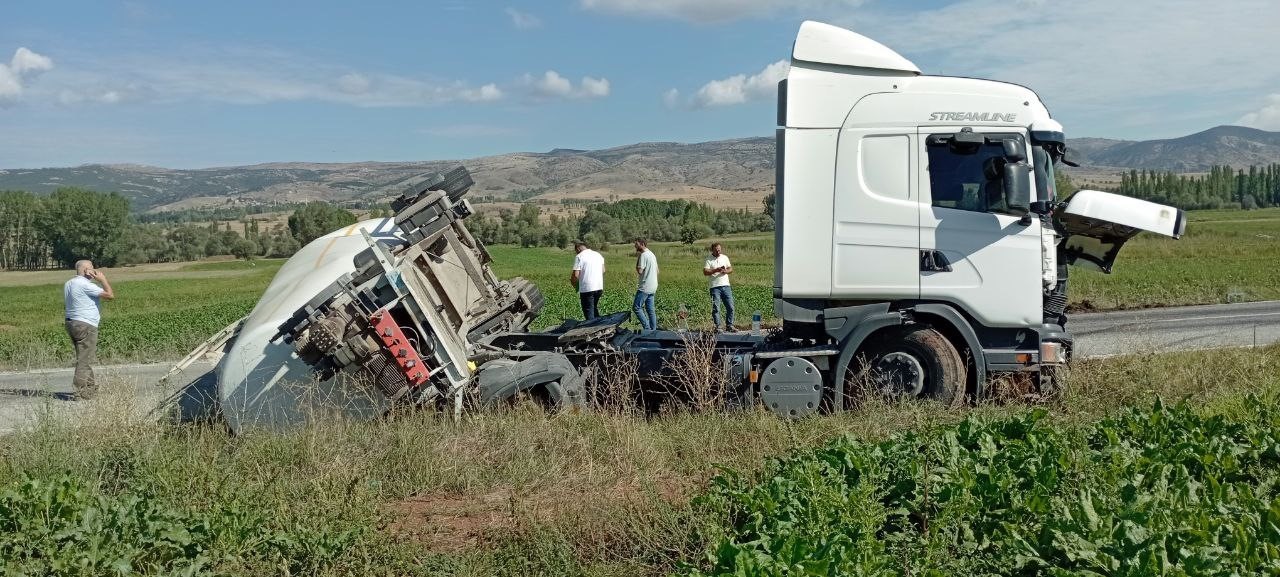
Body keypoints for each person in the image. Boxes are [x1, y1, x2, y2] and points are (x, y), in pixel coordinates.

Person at [63, 259, 114, 400]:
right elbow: (110, 295)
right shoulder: (85, 284)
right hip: (85, 324)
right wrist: (103, 280)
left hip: (72, 322)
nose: (95, 271)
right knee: (85, 360)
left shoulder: (69, 283)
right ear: (86, 270)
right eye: (92, 268)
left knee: (84, 357)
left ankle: (89, 389)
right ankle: (80, 392)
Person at [703, 242, 735, 332]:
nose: (718, 251)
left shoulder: (725, 257)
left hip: (726, 285)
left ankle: (730, 325)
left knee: (730, 306)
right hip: (715, 287)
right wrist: (715, 270)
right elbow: (705, 272)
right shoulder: (709, 259)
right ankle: (718, 327)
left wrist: (725, 271)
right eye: (716, 250)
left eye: (719, 250)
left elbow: (730, 269)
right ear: (712, 250)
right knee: (716, 307)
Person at [570, 240, 605, 321]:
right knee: (594, 309)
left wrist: (574, 284)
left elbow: (576, 275)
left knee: (588, 312)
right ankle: (600, 327)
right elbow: (603, 270)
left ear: (578, 249)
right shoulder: (598, 255)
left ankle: (592, 330)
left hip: (587, 289)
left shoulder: (580, 256)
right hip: (599, 287)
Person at [632, 238, 658, 331]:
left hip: (645, 286)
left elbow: (640, 270)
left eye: (636, 244)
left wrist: (638, 259)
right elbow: (657, 271)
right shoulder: (652, 254)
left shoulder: (643, 255)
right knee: (650, 309)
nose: (635, 246)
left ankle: (647, 329)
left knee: (636, 307)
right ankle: (653, 329)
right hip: (653, 285)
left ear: (642, 244)